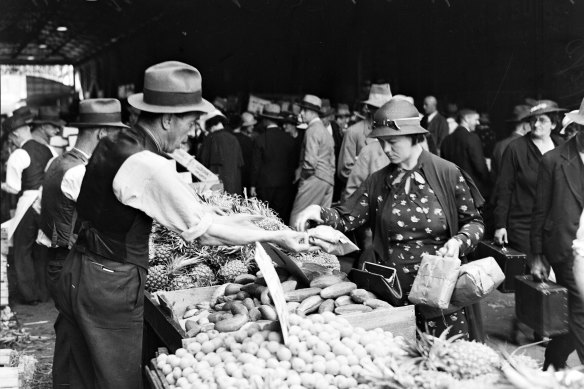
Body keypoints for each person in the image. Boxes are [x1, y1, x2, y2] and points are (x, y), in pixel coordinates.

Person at [52, 61, 311, 389]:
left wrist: (235, 218)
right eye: (190, 123)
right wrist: (280, 236)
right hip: (111, 283)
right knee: (115, 378)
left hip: (78, 269)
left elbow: (188, 215)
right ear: (167, 119)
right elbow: (205, 233)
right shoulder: (148, 164)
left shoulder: (114, 143)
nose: (192, 132)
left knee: (75, 373)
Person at [294, 99, 485, 339]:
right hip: (393, 296)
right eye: (381, 142)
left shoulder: (447, 173)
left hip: (441, 294)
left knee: (445, 363)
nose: (385, 149)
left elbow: (474, 222)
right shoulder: (378, 181)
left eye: (392, 142)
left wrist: (459, 241)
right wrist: (319, 212)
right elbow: (347, 218)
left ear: (414, 137)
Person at [37, 99, 128, 301]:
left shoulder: (57, 161)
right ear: (102, 133)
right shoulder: (80, 172)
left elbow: (41, 206)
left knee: (69, 326)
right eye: (116, 135)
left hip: (56, 257)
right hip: (71, 263)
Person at [530, 98, 584, 370]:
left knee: (577, 315)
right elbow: (540, 211)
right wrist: (537, 256)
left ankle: (553, 359)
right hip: (565, 249)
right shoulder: (554, 160)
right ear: (579, 127)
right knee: (580, 310)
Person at [1, 106, 61, 304]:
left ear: (15, 133)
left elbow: (13, 186)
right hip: (45, 204)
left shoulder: (18, 154)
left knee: (22, 249)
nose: (10, 141)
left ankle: (29, 294)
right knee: (42, 248)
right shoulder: (48, 149)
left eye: (10, 137)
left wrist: (2, 184)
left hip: (27, 205)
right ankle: (44, 293)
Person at [493, 101, 565, 256]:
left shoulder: (562, 146)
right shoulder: (516, 148)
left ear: (553, 124)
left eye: (542, 120)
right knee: (529, 275)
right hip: (524, 226)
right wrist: (500, 225)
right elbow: (504, 188)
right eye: (533, 120)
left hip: (554, 226)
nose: (536, 124)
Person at [289, 95, 335, 227]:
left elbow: (310, 163)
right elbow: (332, 161)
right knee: (319, 222)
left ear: (312, 112)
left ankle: (294, 247)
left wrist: (302, 180)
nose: (301, 113)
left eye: (304, 110)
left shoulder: (312, 130)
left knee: (297, 218)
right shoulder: (325, 132)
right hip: (328, 180)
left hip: (314, 178)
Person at [250, 104, 298, 224]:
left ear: (265, 120)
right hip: (285, 184)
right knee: (281, 218)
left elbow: (255, 165)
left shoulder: (260, 139)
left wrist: (252, 185)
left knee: (264, 217)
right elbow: (293, 163)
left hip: (264, 184)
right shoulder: (289, 139)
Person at [337, 83, 392, 183]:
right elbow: (344, 171)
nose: (385, 113)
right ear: (370, 108)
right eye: (380, 108)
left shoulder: (394, 132)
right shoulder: (354, 132)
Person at [441, 108, 491, 198]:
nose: (478, 123)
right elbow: (480, 167)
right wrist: (489, 182)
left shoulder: (446, 140)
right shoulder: (472, 138)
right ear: (466, 119)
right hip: (473, 192)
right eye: (476, 120)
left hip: (452, 192)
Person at [198, 109, 244, 195]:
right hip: (233, 186)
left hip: (216, 187)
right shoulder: (233, 138)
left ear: (210, 125)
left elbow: (202, 163)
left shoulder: (210, 138)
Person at [490, 104, 532, 181]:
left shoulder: (499, 145)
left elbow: (493, 174)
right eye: (532, 124)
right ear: (525, 126)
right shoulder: (526, 145)